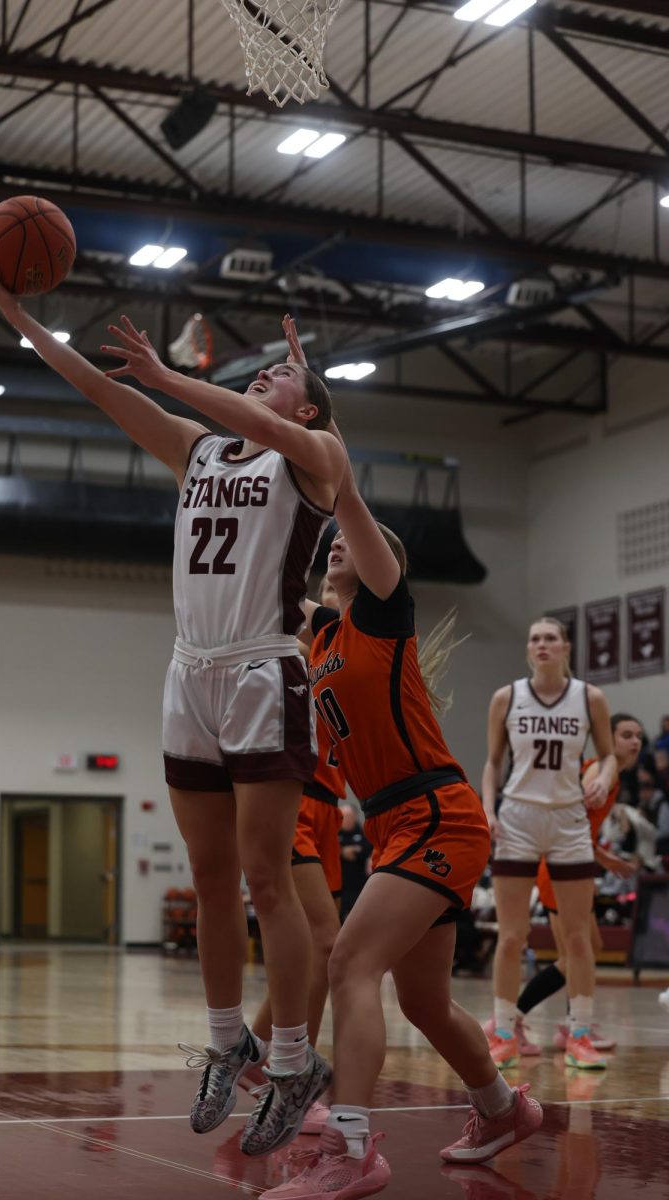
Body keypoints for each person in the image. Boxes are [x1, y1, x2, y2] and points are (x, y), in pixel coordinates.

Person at [0, 258, 345, 1156]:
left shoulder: (319, 460)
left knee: (267, 879)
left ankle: (294, 1064)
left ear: (308, 411)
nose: (264, 377)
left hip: (263, 671)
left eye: (281, 375)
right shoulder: (200, 448)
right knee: (211, 879)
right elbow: (102, 390)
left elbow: (250, 415)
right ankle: (231, 1044)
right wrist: (17, 317)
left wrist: (172, 375)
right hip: (190, 673)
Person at [259, 325, 542, 1200]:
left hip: (438, 815)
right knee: (420, 1001)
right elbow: (276, 564)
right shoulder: (326, 634)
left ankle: (350, 1148)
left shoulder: (382, 608)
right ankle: (501, 1108)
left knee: (347, 963)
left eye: (357, 542)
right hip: (394, 827)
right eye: (336, 549)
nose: (341, 546)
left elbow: (340, 505)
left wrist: (320, 416)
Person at [482, 617, 617, 1071]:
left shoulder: (589, 697)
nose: (542, 644)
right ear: (528, 649)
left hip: (568, 818)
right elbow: (493, 761)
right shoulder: (507, 696)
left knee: (579, 936)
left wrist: (604, 776)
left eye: (550, 638)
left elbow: (609, 754)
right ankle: (504, 1033)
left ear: (565, 648)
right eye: (535, 638)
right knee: (511, 935)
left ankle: (579, 1033)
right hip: (518, 815)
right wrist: (487, 808)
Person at [245, 575, 346, 1135]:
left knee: (317, 949)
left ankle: (256, 1055)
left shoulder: (363, 647)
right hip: (296, 800)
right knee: (326, 941)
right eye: (326, 586)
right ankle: (291, 1072)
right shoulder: (303, 650)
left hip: (330, 805)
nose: (333, 589)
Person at [484, 714, 642, 1056]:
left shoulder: (610, 776)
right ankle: (512, 1022)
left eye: (638, 736)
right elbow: (571, 825)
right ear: (608, 740)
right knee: (574, 954)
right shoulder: (601, 770)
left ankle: (567, 1025)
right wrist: (604, 858)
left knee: (587, 949)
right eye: (626, 734)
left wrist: (599, 857)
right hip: (559, 867)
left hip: (568, 865)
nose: (635, 742)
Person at [338, 804, 372, 922]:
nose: (346, 820)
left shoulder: (364, 834)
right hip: (339, 888)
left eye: (349, 816)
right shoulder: (333, 835)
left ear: (355, 817)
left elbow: (368, 851)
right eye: (343, 817)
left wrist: (354, 852)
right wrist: (341, 851)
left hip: (360, 888)